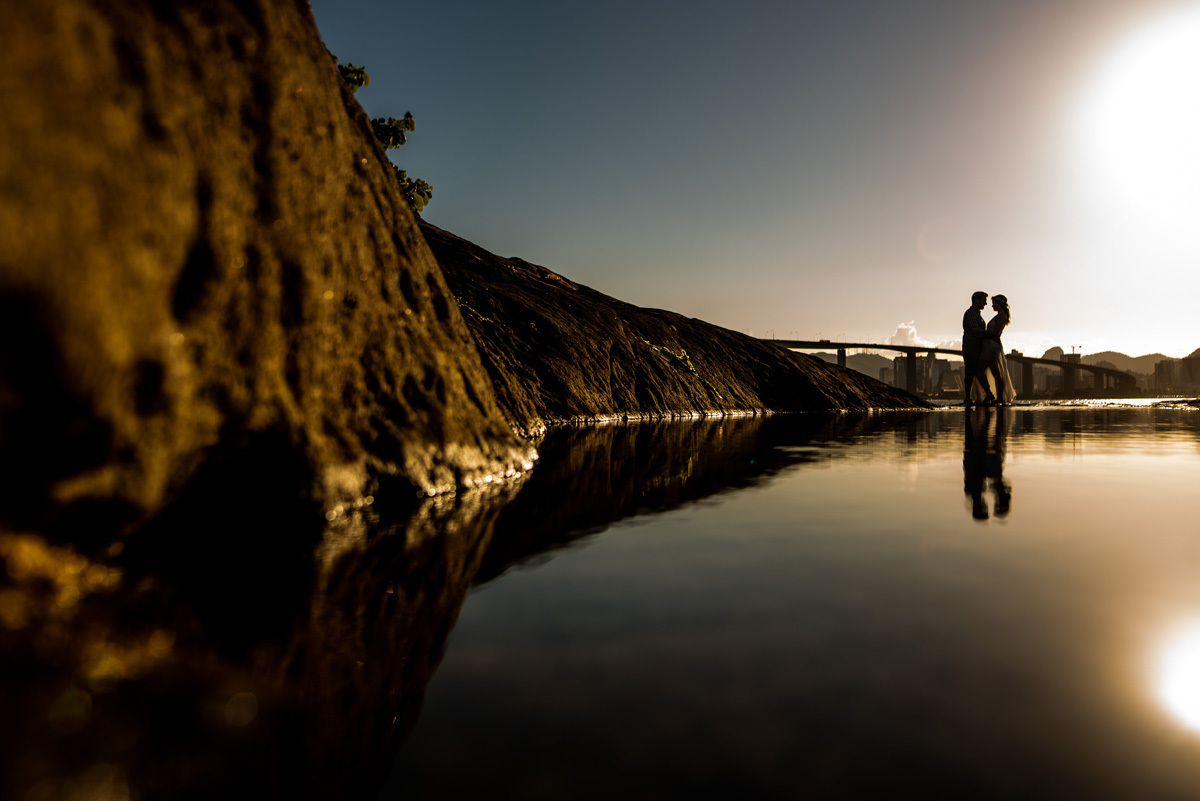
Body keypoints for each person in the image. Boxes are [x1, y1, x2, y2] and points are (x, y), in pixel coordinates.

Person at [971, 294, 1016, 405]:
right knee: (996, 373)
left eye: (994, 303)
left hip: (991, 347)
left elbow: (995, 333)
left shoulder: (1001, 316)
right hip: (990, 346)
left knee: (979, 370)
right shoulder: (999, 315)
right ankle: (998, 397)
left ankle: (990, 394)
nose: (991, 306)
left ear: (999, 304)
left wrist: (980, 332)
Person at [961, 291, 988, 405]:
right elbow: (974, 329)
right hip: (971, 347)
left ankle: (985, 394)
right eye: (983, 300)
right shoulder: (971, 313)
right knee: (971, 372)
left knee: (976, 371)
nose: (985, 304)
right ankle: (968, 397)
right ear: (976, 300)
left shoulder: (977, 314)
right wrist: (989, 333)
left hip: (977, 347)